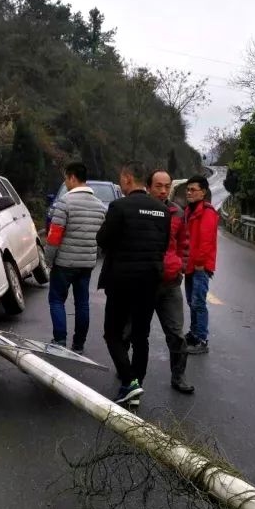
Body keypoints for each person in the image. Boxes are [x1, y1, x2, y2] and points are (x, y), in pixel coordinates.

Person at [96, 161, 170, 406]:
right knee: (141, 336)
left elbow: (103, 240)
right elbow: (163, 245)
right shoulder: (162, 210)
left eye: (121, 179)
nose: (120, 183)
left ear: (128, 178)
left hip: (122, 282)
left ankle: (130, 382)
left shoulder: (119, 206)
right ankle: (135, 387)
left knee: (112, 333)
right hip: (150, 281)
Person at [44, 162, 106, 353]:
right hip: (86, 264)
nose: (66, 182)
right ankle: (78, 345)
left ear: (72, 177)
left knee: (56, 300)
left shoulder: (64, 203)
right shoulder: (100, 207)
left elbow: (54, 237)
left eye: (66, 178)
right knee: (82, 304)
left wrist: (48, 260)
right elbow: (102, 238)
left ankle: (60, 341)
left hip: (64, 264)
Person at [147, 169, 194, 394]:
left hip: (170, 283)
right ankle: (127, 372)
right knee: (131, 332)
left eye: (167, 186)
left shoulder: (177, 212)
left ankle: (179, 376)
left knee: (176, 334)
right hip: (143, 283)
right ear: (149, 187)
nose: (163, 190)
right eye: (158, 186)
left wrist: (181, 268)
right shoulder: (141, 209)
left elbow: (185, 242)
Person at [184, 175, 219, 355]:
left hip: (200, 266)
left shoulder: (207, 212)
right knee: (192, 301)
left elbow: (205, 241)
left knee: (198, 302)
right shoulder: (190, 210)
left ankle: (201, 339)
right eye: (188, 189)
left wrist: (199, 264)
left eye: (193, 190)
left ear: (203, 192)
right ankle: (193, 333)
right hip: (190, 265)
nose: (189, 193)